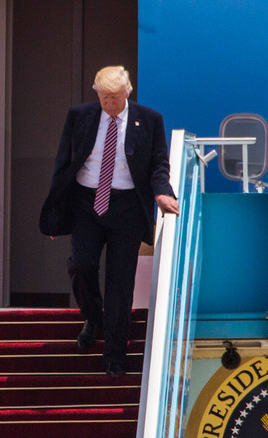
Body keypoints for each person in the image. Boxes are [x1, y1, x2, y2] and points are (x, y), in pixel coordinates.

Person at [39, 66, 179, 377]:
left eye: (114, 97)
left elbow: (159, 163)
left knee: (120, 281)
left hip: (127, 207)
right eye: (103, 97)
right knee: (82, 265)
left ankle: (115, 354)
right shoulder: (80, 115)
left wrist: (162, 193)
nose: (108, 103)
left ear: (128, 92)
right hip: (87, 204)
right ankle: (93, 316)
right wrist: (56, 211)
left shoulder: (150, 119)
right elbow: (64, 163)